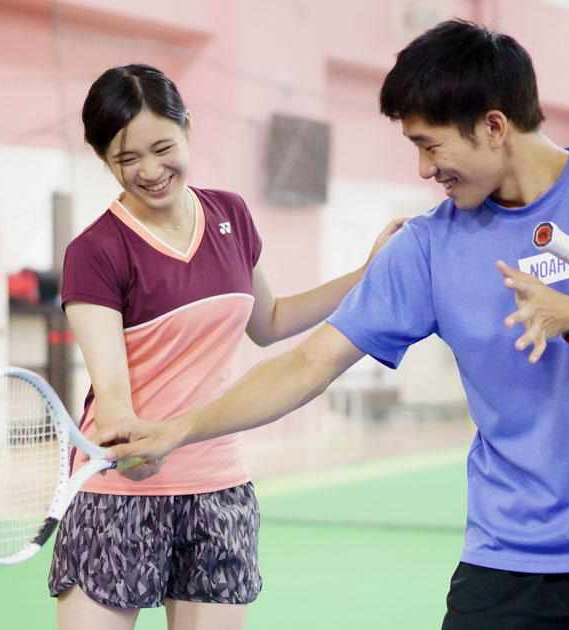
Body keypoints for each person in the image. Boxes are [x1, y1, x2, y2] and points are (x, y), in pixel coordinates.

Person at [95, 21, 569, 630]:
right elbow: (308, 363)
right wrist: (180, 428)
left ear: (493, 126)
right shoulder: (427, 246)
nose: (422, 169)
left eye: (428, 145)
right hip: (510, 560)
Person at [48, 63, 404, 630]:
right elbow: (111, 392)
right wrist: (130, 441)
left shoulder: (230, 215)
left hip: (218, 486)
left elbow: (271, 320)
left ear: (188, 125)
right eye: (126, 159)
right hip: (120, 489)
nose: (149, 171)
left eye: (162, 147)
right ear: (103, 160)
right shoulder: (95, 250)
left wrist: (367, 273)